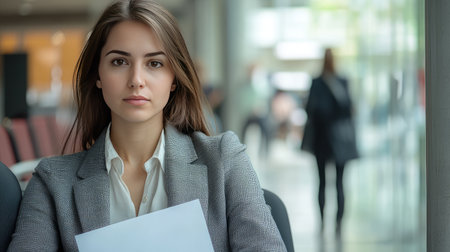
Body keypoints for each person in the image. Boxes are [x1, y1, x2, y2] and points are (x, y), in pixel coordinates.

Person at [7, 1, 286, 251]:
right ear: (98, 75)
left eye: (154, 63)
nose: (136, 79)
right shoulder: (53, 182)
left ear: (174, 78)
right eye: (119, 62)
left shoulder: (224, 160)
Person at [301, 48, 358, 237]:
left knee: (323, 183)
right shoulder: (341, 81)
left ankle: (325, 223)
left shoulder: (317, 83)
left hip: (322, 140)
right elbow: (349, 109)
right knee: (339, 184)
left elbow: (310, 109)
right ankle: (337, 224)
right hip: (337, 140)